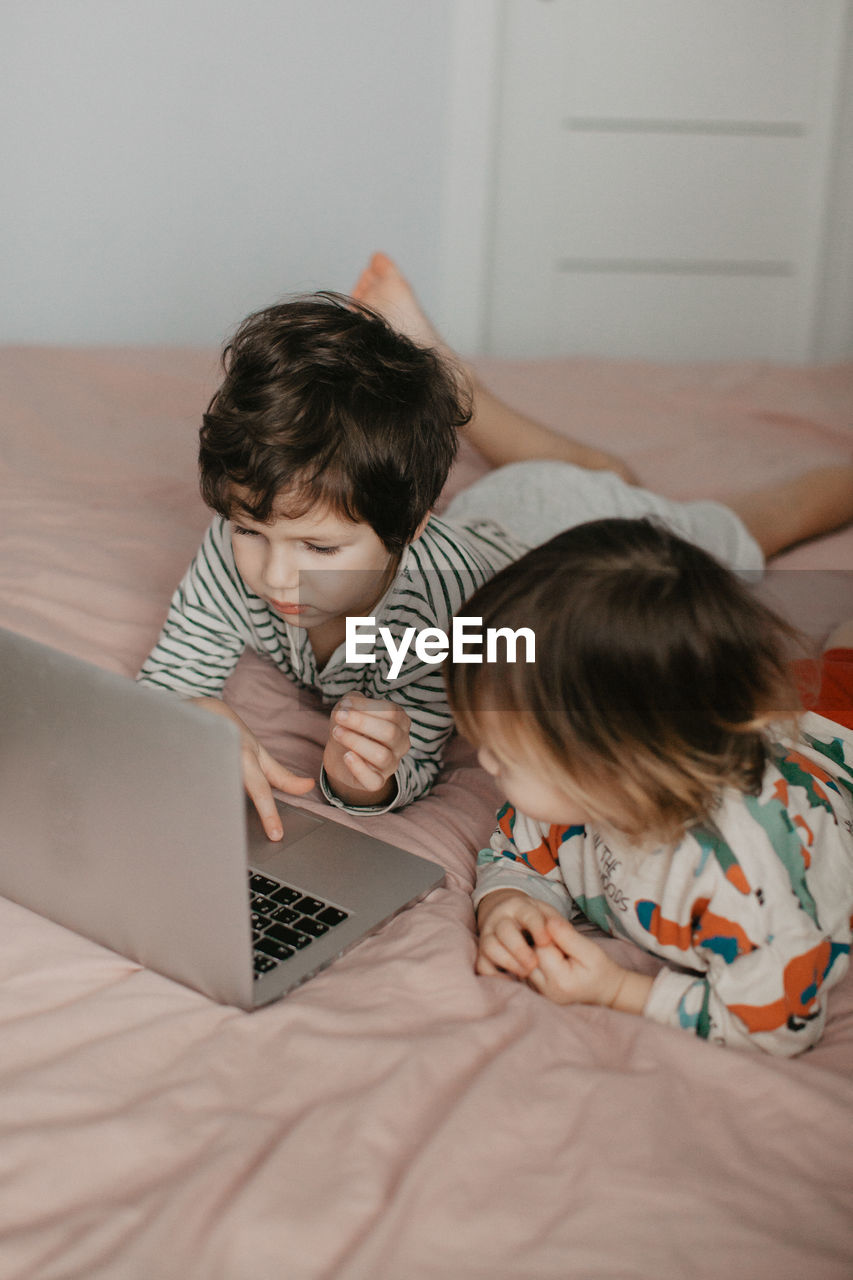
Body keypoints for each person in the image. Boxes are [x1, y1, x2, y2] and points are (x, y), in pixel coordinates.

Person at [139, 274, 853, 838]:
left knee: (742, 524)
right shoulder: (239, 540)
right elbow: (172, 673)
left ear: (410, 529)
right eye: (249, 533)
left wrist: (369, 776)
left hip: (580, 538)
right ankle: (443, 374)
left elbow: (410, 761)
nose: (275, 575)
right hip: (502, 513)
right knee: (594, 465)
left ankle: (452, 377)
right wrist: (199, 711)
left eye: (320, 547)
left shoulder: (447, 612)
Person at [444, 517, 853, 1056]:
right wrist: (507, 902)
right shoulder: (570, 792)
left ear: (620, 768)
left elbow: (779, 1023)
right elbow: (516, 854)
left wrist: (619, 990)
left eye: (509, 755)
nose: (485, 758)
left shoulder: (747, 877)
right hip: (767, 732)